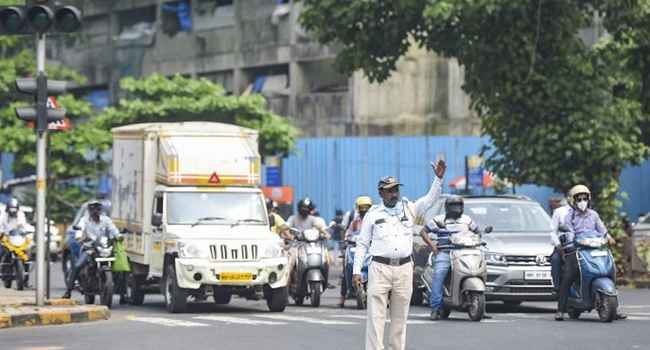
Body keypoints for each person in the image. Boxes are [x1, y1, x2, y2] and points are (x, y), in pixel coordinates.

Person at [353, 160, 446, 350]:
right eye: (389, 190)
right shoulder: (372, 214)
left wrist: (438, 178)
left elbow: (430, 200)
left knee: (400, 319)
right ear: (381, 193)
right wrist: (356, 271)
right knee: (376, 318)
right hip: (379, 268)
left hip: (404, 268)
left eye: (396, 189)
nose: (394, 193)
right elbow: (362, 244)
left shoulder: (409, 208)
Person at [555, 185, 626, 321]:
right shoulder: (569, 217)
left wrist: (609, 237)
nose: (582, 201)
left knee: (609, 271)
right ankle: (560, 310)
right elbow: (568, 231)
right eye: (579, 198)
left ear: (589, 199)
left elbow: (602, 229)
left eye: (585, 198)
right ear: (573, 201)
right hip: (576, 250)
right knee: (569, 276)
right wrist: (570, 240)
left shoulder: (594, 215)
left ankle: (613, 309)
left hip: (596, 249)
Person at [419, 195, 478, 320]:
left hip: (464, 252)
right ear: (447, 207)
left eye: (458, 206)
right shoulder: (438, 220)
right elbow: (423, 232)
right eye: (453, 206)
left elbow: (478, 232)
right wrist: (433, 246)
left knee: (477, 270)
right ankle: (435, 308)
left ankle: (479, 305)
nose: (456, 208)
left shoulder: (467, 220)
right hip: (445, 253)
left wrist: (479, 239)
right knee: (438, 275)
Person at [63, 200, 121, 299]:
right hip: (89, 249)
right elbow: (79, 231)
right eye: (93, 209)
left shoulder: (106, 220)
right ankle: (68, 291)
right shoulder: (84, 220)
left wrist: (119, 236)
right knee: (77, 266)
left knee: (122, 269)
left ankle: (123, 295)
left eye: (98, 209)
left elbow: (113, 230)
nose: (95, 211)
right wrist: (80, 237)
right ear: (89, 210)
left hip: (104, 249)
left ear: (100, 210)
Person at [339, 196, 373, 308]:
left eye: (366, 207)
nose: (364, 210)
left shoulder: (374, 220)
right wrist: (347, 240)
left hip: (371, 248)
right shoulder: (354, 221)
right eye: (361, 207)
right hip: (354, 247)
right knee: (347, 268)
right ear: (358, 208)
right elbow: (348, 234)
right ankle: (342, 297)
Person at [550, 196, 570, 291]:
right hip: (563, 246)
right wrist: (559, 246)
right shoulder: (559, 212)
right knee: (555, 259)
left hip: (580, 244)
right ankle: (557, 288)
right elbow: (552, 232)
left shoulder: (586, 212)